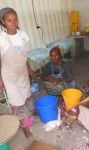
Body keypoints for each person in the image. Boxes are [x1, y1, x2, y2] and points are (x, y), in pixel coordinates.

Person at [0, 7, 35, 138]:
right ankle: (24, 126)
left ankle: (28, 116)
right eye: (9, 20)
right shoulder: (2, 39)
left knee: (26, 95)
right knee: (17, 100)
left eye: (15, 20)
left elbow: (22, 55)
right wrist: (0, 78)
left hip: (22, 72)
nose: (13, 23)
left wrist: (29, 68)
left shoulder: (23, 35)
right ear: (3, 22)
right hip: (9, 74)